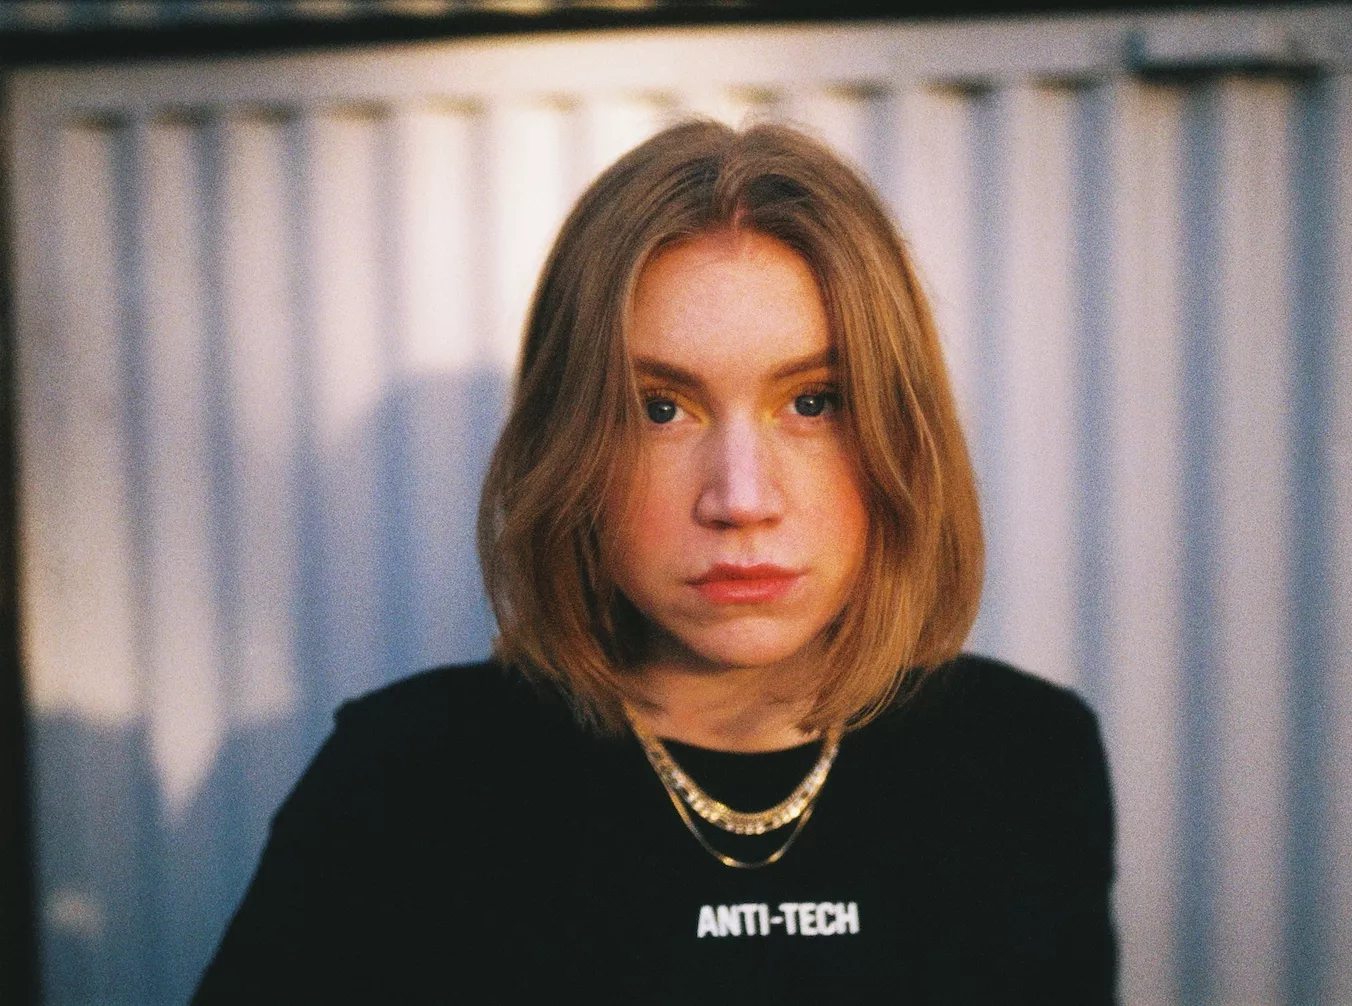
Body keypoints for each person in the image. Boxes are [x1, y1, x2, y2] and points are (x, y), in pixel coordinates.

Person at [193, 120, 1115, 1003]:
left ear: (902, 432)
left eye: (815, 401)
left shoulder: (1028, 762)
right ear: (568, 446)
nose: (741, 499)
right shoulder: (406, 785)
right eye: (659, 409)